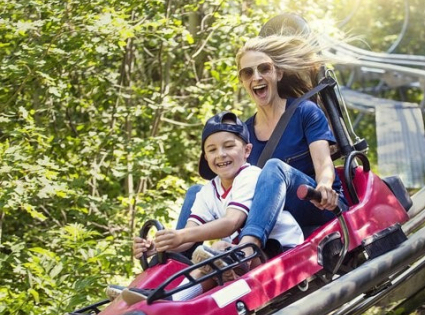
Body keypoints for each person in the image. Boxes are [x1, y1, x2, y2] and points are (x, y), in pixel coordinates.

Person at [177, 33, 347, 265]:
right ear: (242, 80)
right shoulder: (243, 133)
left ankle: (247, 251)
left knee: (274, 167)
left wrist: (325, 186)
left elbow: (324, 164)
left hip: (318, 204)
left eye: (264, 69)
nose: (256, 77)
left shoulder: (305, 112)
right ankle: (171, 264)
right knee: (197, 191)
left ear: (278, 73)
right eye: (248, 72)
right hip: (272, 218)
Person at [117, 111, 303, 304]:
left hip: (279, 251)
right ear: (205, 157)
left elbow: (232, 222)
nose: (221, 154)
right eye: (212, 150)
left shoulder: (250, 175)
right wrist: (156, 247)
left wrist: (181, 236)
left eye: (229, 146)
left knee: (218, 250)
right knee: (215, 259)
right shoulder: (208, 191)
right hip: (240, 254)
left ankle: (171, 298)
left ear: (247, 151)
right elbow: (189, 234)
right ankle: (168, 296)